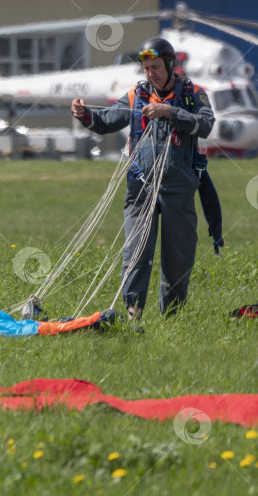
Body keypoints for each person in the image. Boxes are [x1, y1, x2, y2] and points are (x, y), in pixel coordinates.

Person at [71, 37, 215, 318]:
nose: (151, 73)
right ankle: (132, 312)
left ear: (170, 65)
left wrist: (170, 112)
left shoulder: (192, 93)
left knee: (178, 255)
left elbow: (206, 125)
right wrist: (84, 114)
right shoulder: (136, 96)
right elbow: (105, 121)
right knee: (136, 253)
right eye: (146, 68)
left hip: (178, 187)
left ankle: (172, 315)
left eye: (156, 67)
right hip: (141, 188)